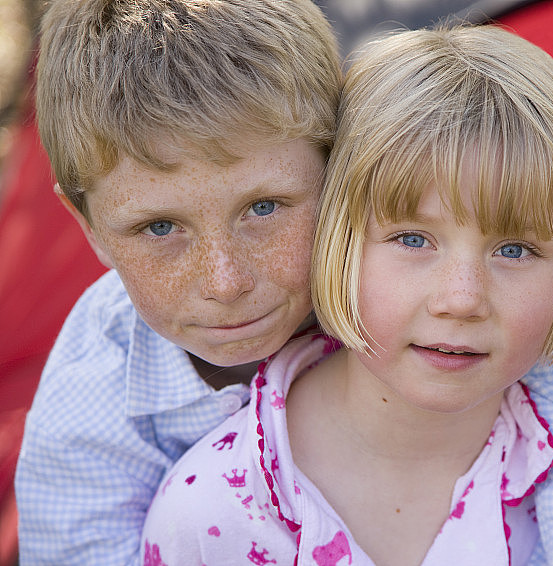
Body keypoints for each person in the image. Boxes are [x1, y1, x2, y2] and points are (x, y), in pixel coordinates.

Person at [139, 25, 553, 565]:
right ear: (335, 240)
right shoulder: (211, 518)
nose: (461, 300)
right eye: (412, 239)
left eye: (514, 250)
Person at [14, 0, 341, 563]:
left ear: (337, 165)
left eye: (264, 207)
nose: (226, 281)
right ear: (88, 227)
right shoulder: (85, 412)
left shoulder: (422, 290)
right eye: (159, 227)